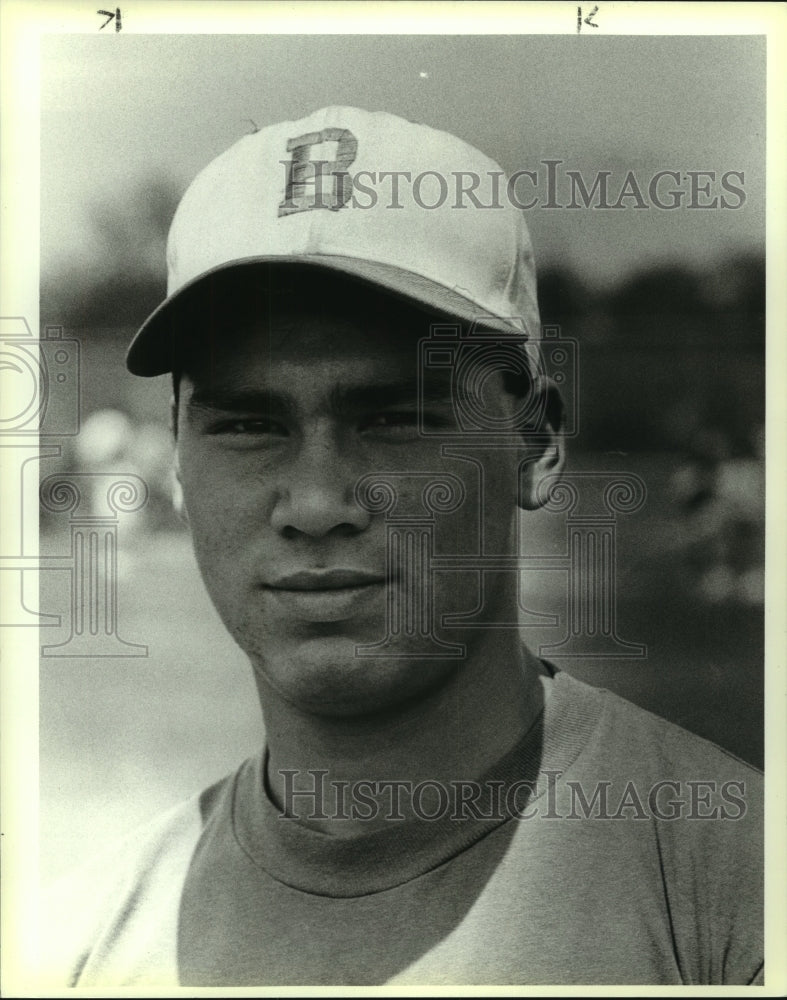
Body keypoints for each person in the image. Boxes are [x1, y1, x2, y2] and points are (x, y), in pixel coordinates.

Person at [41, 106, 763, 987]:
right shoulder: (79, 946)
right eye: (247, 424)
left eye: (395, 418)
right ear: (180, 460)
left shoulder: (740, 890)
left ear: (533, 444)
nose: (314, 502)